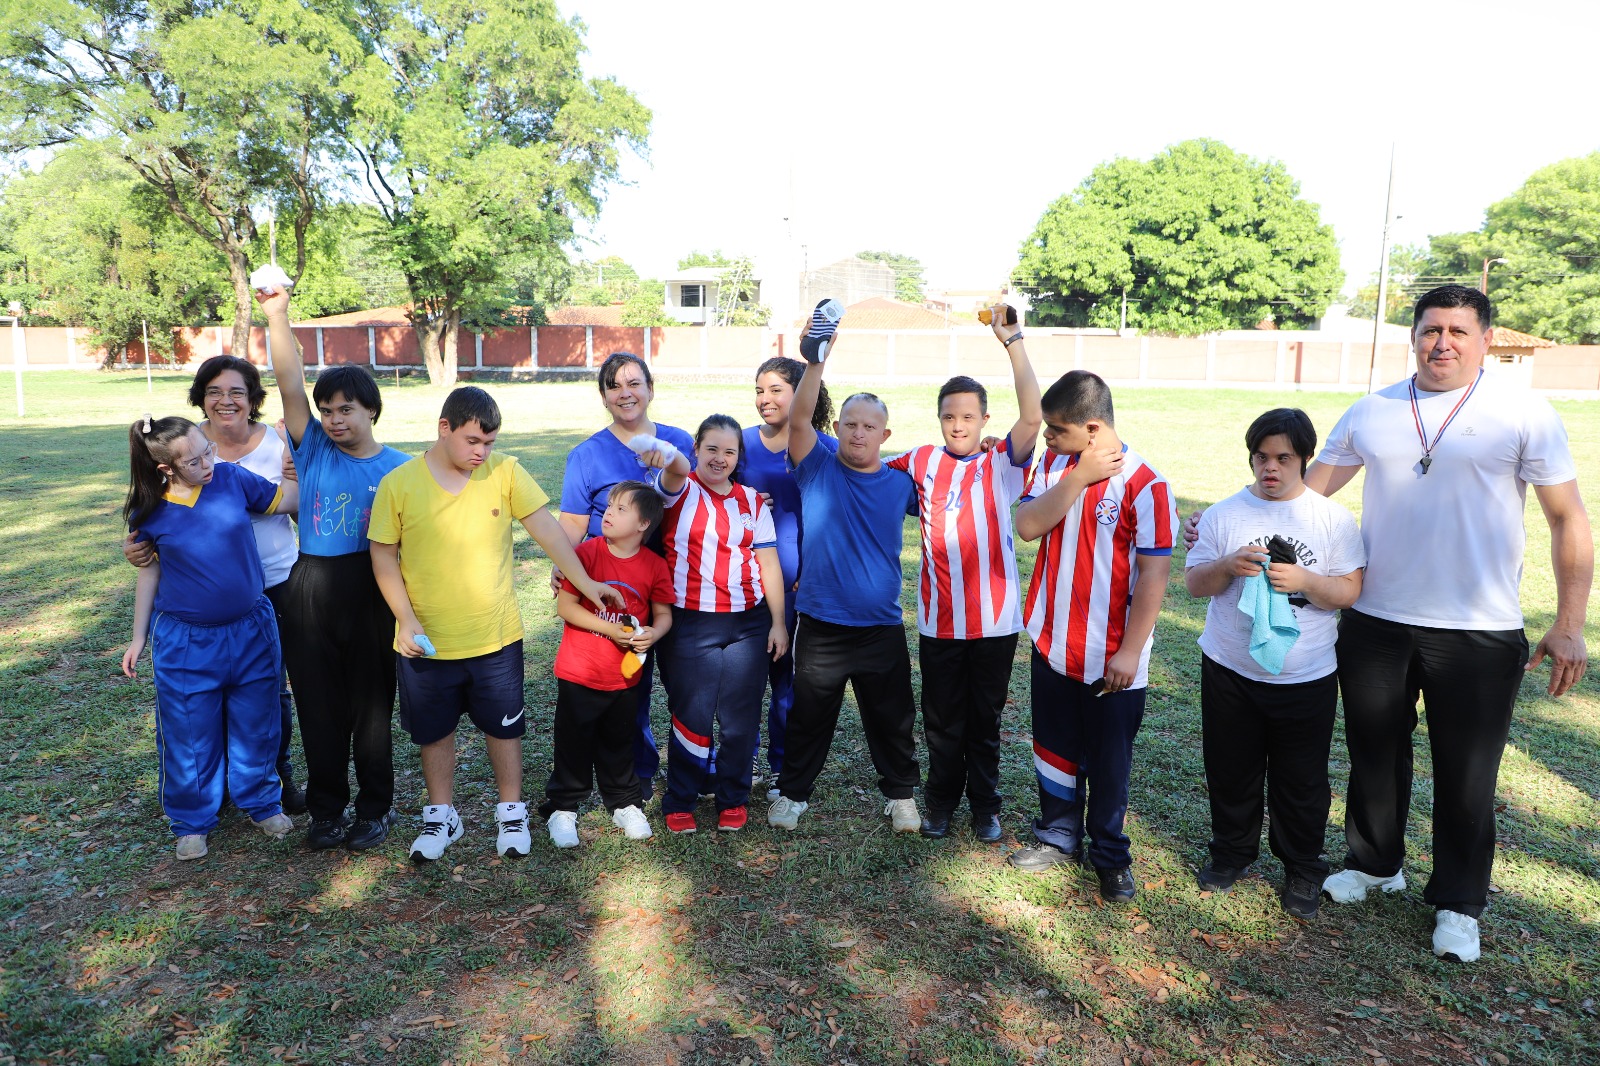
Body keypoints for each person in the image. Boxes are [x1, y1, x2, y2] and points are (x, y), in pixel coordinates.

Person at [1184, 285, 1591, 962]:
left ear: (1485, 338)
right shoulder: (1372, 412)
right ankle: (1376, 863)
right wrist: (1230, 523)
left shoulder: (1524, 413)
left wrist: (1570, 621)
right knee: (1375, 753)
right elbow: (1303, 496)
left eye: (1459, 331)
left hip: (1478, 626)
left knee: (1467, 774)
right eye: (1432, 329)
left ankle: (1459, 903)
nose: (1443, 343)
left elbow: (1567, 518)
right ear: (1414, 335)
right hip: (1376, 619)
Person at [368, 387, 623, 863]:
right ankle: (441, 814)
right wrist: (405, 619)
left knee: (505, 729)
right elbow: (382, 554)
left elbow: (547, 530)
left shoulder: (504, 472)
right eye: (472, 442)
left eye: (489, 443)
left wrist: (587, 585)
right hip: (427, 641)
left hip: (496, 636)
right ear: (444, 429)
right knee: (433, 732)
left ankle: (511, 810)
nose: (481, 453)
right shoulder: (399, 484)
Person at [1183, 408, 1365, 918]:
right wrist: (1226, 565)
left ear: (1304, 459)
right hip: (1229, 668)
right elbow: (1195, 585)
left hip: (1305, 675)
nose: (1271, 468)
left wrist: (1305, 581)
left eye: (1283, 458)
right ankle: (1231, 854)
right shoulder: (1223, 515)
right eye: (1261, 457)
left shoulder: (1330, 519)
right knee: (1230, 768)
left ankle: (1303, 868)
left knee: (1302, 780)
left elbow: (1350, 591)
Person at [1006, 370, 1177, 904]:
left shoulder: (1148, 485)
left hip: (1114, 656)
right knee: (1054, 744)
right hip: (1052, 639)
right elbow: (1028, 525)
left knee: (1109, 759)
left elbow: (1154, 576)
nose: (1048, 437)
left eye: (1057, 430)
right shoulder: (1058, 465)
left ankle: (1110, 855)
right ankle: (1058, 836)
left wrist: (1130, 651)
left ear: (1093, 427)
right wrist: (1076, 476)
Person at [257, 288, 412, 852]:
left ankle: (375, 809)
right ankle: (326, 810)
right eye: (327, 410)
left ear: (371, 409)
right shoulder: (315, 448)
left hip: (373, 591)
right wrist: (278, 313)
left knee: (372, 707)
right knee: (318, 705)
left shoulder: (402, 469)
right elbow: (289, 381)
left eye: (346, 408)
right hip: (312, 587)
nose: (334, 418)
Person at [123, 355, 305, 816]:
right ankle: (192, 818)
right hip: (187, 637)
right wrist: (138, 636)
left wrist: (295, 468)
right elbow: (149, 569)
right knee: (188, 726)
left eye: (209, 451)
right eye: (197, 458)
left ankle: (263, 801)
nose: (210, 460)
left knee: (258, 718)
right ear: (167, 469)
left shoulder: (230, 477)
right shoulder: (150, 511)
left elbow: (287, 503)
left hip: (252, 621)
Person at [887, 305, 1040, 842]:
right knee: (942, 722)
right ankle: (941, 804)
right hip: (939, 621)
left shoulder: (1003, 464)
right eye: (950, 417)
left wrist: (1012, 341)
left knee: (985, 720)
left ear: (984, 421)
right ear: (940, 421)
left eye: (969, 417)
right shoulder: (922, 458)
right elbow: (865, 476)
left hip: (996, 622)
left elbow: (1034, 415)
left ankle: (986, 807)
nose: (959, 425)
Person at [767, 314, 923, 833]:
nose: (859, 433)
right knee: (810, 719)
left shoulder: (902, 483)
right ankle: (793, 795)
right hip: (822, 624)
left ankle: (901, 796)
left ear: (885, 434)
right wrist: (816, 358)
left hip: (879, 625)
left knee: (893, 720)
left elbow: (956, 496)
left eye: (869, 426)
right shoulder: (816, 467)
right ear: (838, 430)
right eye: (851, 424)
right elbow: (799, 417)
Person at [554, 352, 695, 800]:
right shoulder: (588, 454)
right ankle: (633, 771)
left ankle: (692, 772)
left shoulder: (679, 442)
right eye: (614, 386)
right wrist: (564, 562)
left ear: (651, 389)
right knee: (625, 680)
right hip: (614, 591)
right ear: (604, 397)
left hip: (678, 584)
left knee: (683, 684)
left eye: (634, 382)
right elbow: (574, 523)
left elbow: (711, 491)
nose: (625, 392)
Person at [652, 415, 789, 833]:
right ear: (696, 449)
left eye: (729, 451)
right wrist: (665, 455)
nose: (720, 458)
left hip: (749, 623)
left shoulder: (751, 501)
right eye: (711, 448)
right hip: (692, 622)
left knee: (740, 716)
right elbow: (673, 470)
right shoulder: (680, 489)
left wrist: (778, 622)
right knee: (692, 713)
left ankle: (733, 796)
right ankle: (682, 799)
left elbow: (769, 563)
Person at [540, 481, 673, 847]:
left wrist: (653, 634)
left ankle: (625, 803)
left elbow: (663, 614)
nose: (608, 513)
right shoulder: (585, 553)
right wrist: (612, 629)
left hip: (624, 678)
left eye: (620, 508)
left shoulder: (654, 566)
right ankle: (563, 808)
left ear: (644, 524)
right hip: (579, 671)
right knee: (573, 743)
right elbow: (566, 608)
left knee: (619, 743)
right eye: (608, 506)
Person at [742, 358, 837, 798]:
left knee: (790, 685)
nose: (766, 399)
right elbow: (702, 493)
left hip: (805, 589)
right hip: (745, 588)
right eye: (760, 390)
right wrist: (741, 499)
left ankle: (783, 770)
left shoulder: (828, 449)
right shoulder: (737, 444)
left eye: (777, 390)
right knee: (741, 685)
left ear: (803, 394)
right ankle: (735, 767)